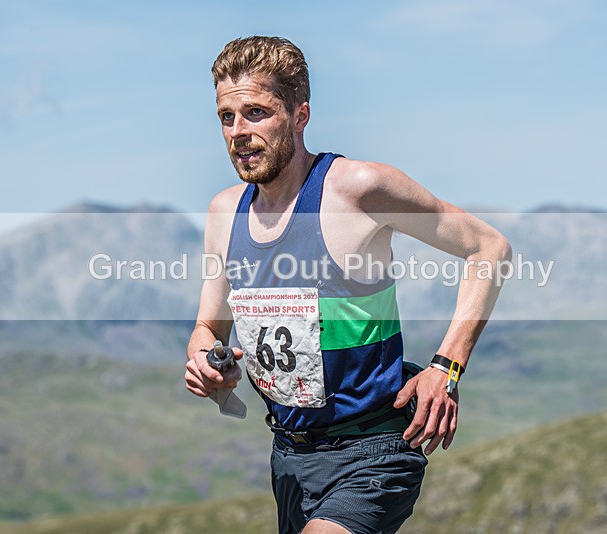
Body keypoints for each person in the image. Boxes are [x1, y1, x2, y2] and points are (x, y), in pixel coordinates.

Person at [185, 36, 511, 534]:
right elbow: (209, 328)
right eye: (226, 117)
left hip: (374, 447)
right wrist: (210, 366)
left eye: (256, 113)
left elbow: (489, 249)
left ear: (300, 114)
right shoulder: (223, 212)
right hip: (290, 457)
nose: (238, 132)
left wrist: (447, 368)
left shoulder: (358, 188)